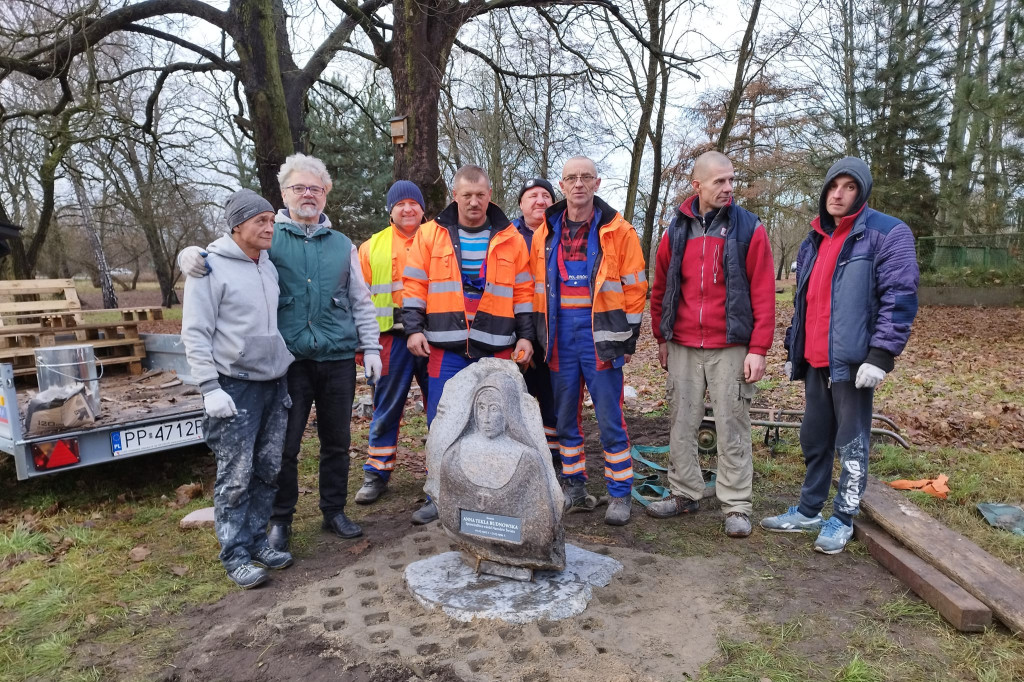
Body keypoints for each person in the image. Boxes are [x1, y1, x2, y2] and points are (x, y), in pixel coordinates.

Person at [179, 154, 382, 550]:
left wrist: (371, 346)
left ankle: (334, 510)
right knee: (284, 446)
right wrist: (191, 254)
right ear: (284, 194)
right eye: (299, 188)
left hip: (336, 358)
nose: (308, 195)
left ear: (325, 195)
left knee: (337, 441)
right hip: (288, 361)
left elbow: (361, 300)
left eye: (316, 188)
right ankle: (280, 519)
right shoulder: (270, 237)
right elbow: (230, 256)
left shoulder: (343, 245)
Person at [761, 156, 919, 554]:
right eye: (834, 186)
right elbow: (805, 301)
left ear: (861, 192)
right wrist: (792, 346)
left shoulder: (887, 234)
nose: (839, 194)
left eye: (849, 187)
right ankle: (809, 509)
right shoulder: (814, 238)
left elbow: (899, 297)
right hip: (815, 359)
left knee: (851, 443)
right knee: (814, 438)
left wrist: (881, 354)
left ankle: (843, 517)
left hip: (853, 362)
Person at [648, 150, 775, 539]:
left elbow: (764, 291)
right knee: (681, 423)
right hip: (683, 343)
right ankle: (685, 492)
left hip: (730, 344)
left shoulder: (748, 228)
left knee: (732, 425)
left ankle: (736, 505)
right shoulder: (675, 231)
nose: (729, 188)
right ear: (697, 184)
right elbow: (662, 288)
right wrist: (662, 337)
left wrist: (758, 348)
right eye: (720, 181)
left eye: (732, 180)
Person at [402, 164, 535, 524]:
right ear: (455, 197)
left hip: (496, 347)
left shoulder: (511, 237)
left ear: (490, 195)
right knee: (443, 421)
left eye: (480, 195)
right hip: (446, 348)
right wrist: (413, 329)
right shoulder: (431, 235)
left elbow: (523, 292)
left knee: (499, 422)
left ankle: (494, 494)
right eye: (467, 195)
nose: (474, 202)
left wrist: (526, 335)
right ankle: (437, 492)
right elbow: (413, 286)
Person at [181, 189, 295, 589]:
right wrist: (209, 387)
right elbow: (194, 332)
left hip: (273, 383)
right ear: (236, 226)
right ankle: (234, 554)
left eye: (271, 221)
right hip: (235, 387)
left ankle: (257, 539)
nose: (269, 228)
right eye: (259, 221)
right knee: (236, 475)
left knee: (267, 470)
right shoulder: (209, 268)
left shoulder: (267, 264)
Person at [529, 156, 648, 526]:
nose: (578, 184)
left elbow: (636, 288)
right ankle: (575, 488)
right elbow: (534, 290)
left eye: (585, 177)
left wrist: (625, 340)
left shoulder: (619, 230)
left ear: (597, 183)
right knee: (565, 418)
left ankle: (620, 493)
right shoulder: (544, 232)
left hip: (601, 335)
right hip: (560, 336)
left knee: (611, 418)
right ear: (561, 187)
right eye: (571, 178)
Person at [353, 181, 430, 505]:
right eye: (401, 204)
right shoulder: (371, 247)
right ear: (390, 210)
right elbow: (358, 298)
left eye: (414, 203)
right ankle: (377, 472)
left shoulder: (438, 239)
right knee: (385, 407)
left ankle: (444, 471)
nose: (408, 208)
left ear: (423, 209)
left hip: (432, 336)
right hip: (388, 339)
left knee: (442, 408)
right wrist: (362, 344)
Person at [511, 178, 559, 472]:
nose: (540, 201)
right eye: (532, 196)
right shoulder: (505, 236)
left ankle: (553, 457)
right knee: (518, 395)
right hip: (515, 331)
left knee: (554, 396)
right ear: (521, 203)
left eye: (546, 196)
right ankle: (522, 455)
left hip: (553, 331)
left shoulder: (562, 233)